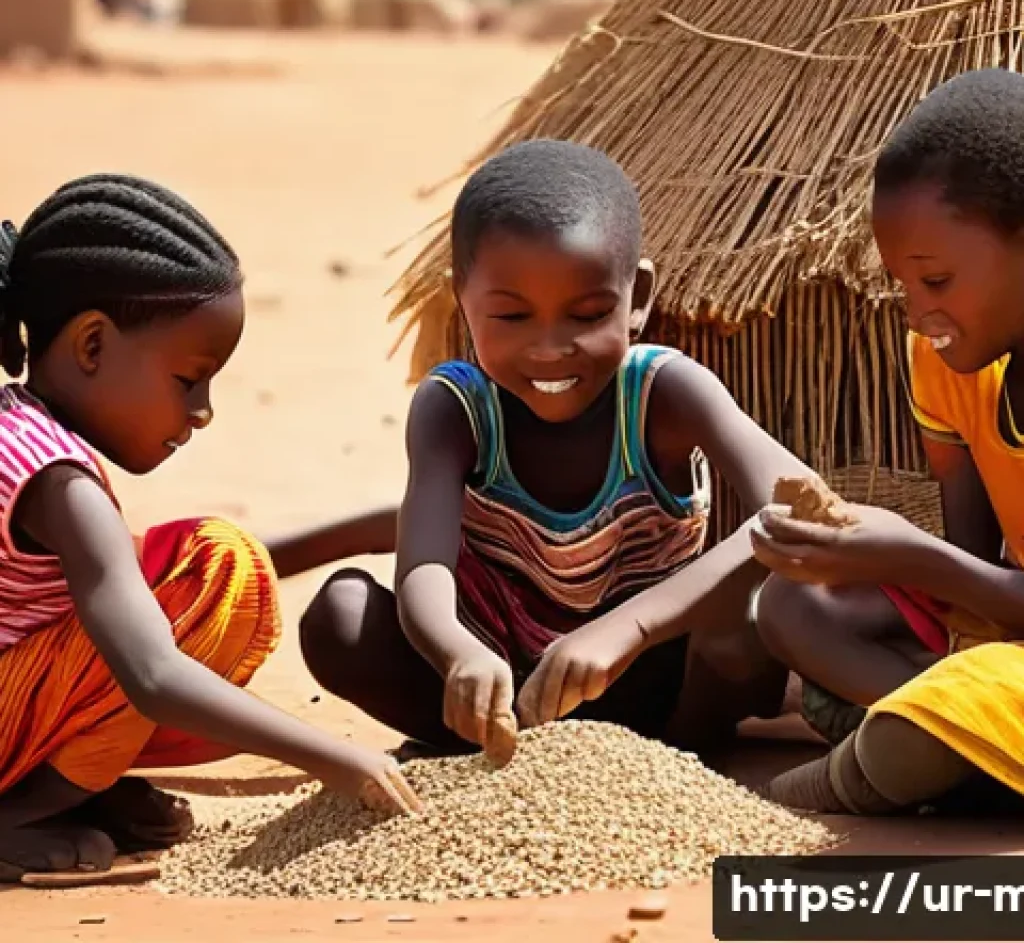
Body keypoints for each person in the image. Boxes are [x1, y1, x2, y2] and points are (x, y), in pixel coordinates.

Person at [300, 139, 818, 759]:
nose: (550, 348)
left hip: (655, 685)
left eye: (587, 314)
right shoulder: (454, 409)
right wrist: (458, 651)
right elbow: (423, 566)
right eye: (512, 318)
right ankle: (486, 745)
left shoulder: (662, 393)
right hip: (509, 683)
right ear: (461, 299)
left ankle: (683, 763)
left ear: (639, 298)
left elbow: (797, 507)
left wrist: (629, 627)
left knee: (749, 619)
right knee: (342, 614)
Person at [0, 175, 419, 884]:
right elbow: (153, 671)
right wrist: (336, 758)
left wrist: (371, 531)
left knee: (205, 570)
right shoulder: (61, 487)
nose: (202, 411)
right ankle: (15, 818)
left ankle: (60, 793)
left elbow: (132, 588)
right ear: (93, 345)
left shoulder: (22, 438)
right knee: (214, 571)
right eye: (188, 379)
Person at [752, 68, 1024, 813]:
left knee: (935, 722)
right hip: (1004, 649)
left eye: (934, 280)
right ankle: (957, 741)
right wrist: (869, 554)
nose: (916, 313)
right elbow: (977, 580)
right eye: (903, 284)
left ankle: (913, 750)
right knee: (792, 605)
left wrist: (907, 552)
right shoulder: (949, 367)